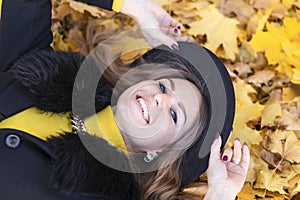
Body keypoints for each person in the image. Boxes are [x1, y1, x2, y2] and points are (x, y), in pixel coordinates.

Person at [0, 0, 250, 200]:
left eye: (175, 115)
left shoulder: (95, 192)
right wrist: (130, 5)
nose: (160, 99)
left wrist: (219, 196)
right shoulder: (40, 72)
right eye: (163, 86)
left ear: (158, 153)